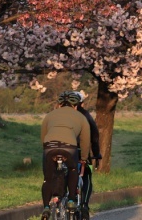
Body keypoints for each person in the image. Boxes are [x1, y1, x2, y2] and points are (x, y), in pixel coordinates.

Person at [41, 91, 91, 220]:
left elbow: (43, 137)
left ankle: (46, 208)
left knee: (47, 179)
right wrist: (84, 158)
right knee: (73, 169)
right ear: (76, 105)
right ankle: (71, 200)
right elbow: (85, 141)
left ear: (59, 105)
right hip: (69, 148)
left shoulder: (49, 115)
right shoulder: (81, 117)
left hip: (49, 147)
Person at [69, 91, 102, 220]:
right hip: (80, 151)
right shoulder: (85, 116)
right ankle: (84, 205)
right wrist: (96, 153)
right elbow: (94, 136)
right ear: (81, 103)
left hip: (62, 149)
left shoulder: (62, 115)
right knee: (87, 175)